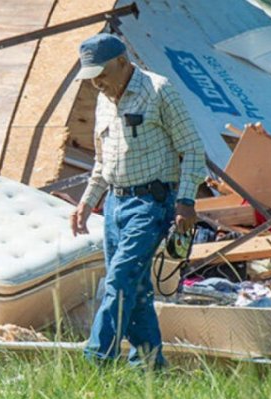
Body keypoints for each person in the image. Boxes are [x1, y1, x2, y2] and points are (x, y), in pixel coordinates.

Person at [70, 33, 207, 367]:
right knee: (138, 290)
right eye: (90, 78)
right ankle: (149, 367)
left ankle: (95, 362)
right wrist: (88, 202)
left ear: (122, 62)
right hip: (115, 206)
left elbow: (192, 148)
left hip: (151, 203)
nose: (97, 83)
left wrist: (186, 201)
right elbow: (102, 162)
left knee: (118, 282)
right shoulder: (104, 99)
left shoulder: (159, 91)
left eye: (101, 74)